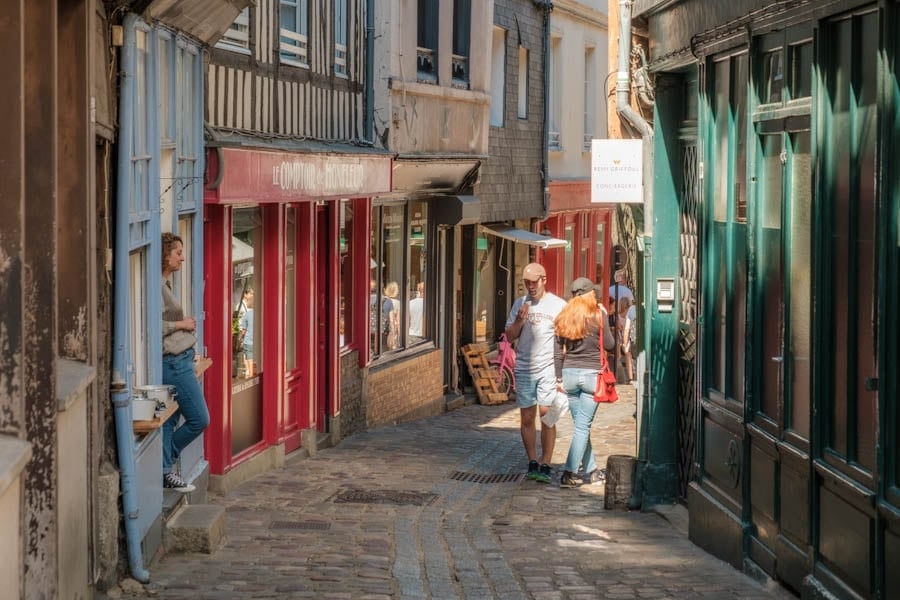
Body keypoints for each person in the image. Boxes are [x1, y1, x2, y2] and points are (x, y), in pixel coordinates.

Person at [505, 262, 567, 483]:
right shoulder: (519, 304)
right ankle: (532, 460)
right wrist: (520, 319)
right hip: (523, 368)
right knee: (527, 417)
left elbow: (564, 338)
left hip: (547, 368)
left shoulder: (558, 305)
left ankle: (546, 461)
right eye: (526, 283)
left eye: (534, 282)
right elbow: (510, 336)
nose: (530, 286)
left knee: (547, 415)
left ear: (544, 280)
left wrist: (562, 372)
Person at [554, 277, 617, 488]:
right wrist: (606, 319)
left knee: (581, 426)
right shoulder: (598, 315)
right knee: (582, 427)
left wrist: (558, 377)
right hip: (591, 376)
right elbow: (609, 344)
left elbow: (557, 352)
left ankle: (592, 471)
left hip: (570, 375)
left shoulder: (564, 316)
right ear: (590, 294)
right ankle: (568, 472)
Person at [161, 232, 210, 493]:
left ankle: (164, 470)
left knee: (170, 420)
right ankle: (164, 464)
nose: (182, 257)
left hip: (180, 359)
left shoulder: (164, 284)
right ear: (165, 255)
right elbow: (151, 326)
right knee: (200, 419)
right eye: (178, 252)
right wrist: (181, 324)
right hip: (174, 364)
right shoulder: (155, 286)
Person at [239, 288, 255, 378]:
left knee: (248, 357)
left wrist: (241, 337)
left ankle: (250, 373)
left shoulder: (247, 314)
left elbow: (243, 329)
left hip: (248, 340)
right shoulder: (262, 313)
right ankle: (253, 373)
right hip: (257, 340)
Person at [383, 281, 401, 349]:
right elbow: (397, 320)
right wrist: (399, 333)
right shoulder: (397, 303)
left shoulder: (383, 300)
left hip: (383, 326)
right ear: (396, 291)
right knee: (393, 347)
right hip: (392, 327)